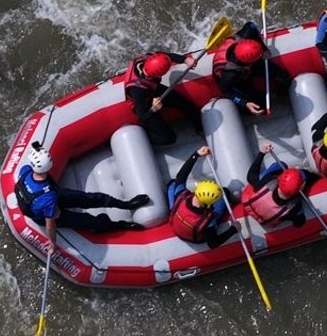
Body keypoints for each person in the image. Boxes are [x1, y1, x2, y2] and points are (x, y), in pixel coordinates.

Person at [16, 142, 150, 241]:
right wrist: (52, 243)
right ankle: (119, 225)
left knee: (91, 198)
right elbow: (50, 225)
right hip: (51, 211)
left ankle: (126, 204)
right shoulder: (47, 198)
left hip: (52, 196)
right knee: (90, 222)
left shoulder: (25, 171)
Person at [212, 22, 292, 116]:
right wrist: (245, 103)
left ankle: (283, 95)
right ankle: (241, 108)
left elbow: (251, 25)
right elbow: (226, 91)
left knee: (283, 77)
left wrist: (264, 49)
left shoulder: (244, 37)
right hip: (238, 79)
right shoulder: (230, 75)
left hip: (248, 64)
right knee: (260, 107)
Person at [124, 50, 203, 145]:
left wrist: (185, 59)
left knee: (188, 106)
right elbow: (142, 116)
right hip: (145, 106)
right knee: (168, 138)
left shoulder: (147, 58)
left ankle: (200, 128)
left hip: (153, 90)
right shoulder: (137, 90)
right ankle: (141, 138)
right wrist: (153, 109)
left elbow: (165, 56)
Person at [166, 146, 237, 248]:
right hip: (194, 235)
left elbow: (181, 176)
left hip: (176, 223)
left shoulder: (181, 195)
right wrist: (233, 229)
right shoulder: (208, 220)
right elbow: (213, 244)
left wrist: (196, 154)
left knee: (173, 184)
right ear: (210, 204)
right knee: (225, 192)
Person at [241, 143, 310, 229]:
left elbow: (250, 177)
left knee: (281, 165)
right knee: (304, 175)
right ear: (300, 189)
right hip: (269, 207)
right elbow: (299, 222)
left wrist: (262, 153)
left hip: (256, 200)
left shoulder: (267, 181)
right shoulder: (293, 208)